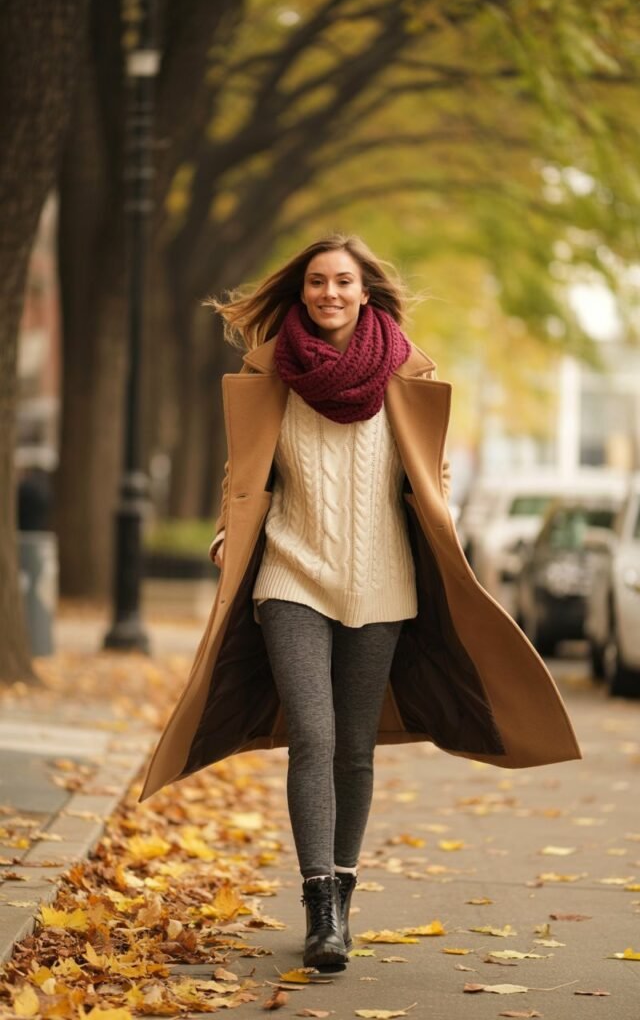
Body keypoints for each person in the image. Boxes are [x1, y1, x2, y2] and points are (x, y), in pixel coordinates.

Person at [137, 234, 581, 973]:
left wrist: (445, 523)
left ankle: (343, 887)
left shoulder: (406, 375)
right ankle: (318, 903)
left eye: (343, 281)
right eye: (317, 282)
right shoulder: (273, 373)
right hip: (291, 577)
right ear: (303, 292)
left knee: (354, 746)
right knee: (313, 733)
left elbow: (429, 471)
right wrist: (227, 534)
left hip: (383, 582)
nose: (329, 293)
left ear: (364, 292)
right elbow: (242, 472)